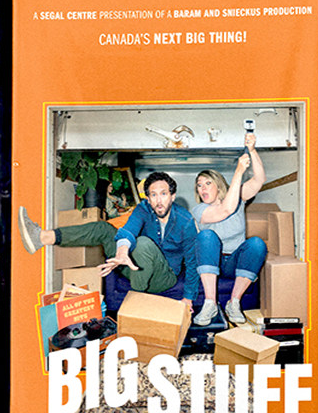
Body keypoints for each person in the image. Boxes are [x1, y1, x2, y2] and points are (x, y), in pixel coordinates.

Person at [18, 170, 198, 320]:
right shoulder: (143, 209)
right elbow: (128, 230)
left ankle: (135, 305)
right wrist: (121, 252)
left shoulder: (185, 221)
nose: (159, 200)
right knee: (104, 228)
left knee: (143, 243)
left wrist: (188, 299)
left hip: (162, 277)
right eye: (153, 195)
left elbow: (192, 262)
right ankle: (42, 237)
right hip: (130, 263)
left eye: (164, 194)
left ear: (172, 196)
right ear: (148, 198)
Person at [190, 127, 271, 327]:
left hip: (235, 262)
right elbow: (226, 210)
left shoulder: (238, 197)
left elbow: (260, 179)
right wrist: (238, 171)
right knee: (206, 236)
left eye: (208, 183)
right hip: (213, 262)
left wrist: (252, 150)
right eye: (199, 185)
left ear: (219, 185)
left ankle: (233, 303)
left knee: (257, 244)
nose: (203, 188)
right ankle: (210, 304)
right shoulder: (200, 210)